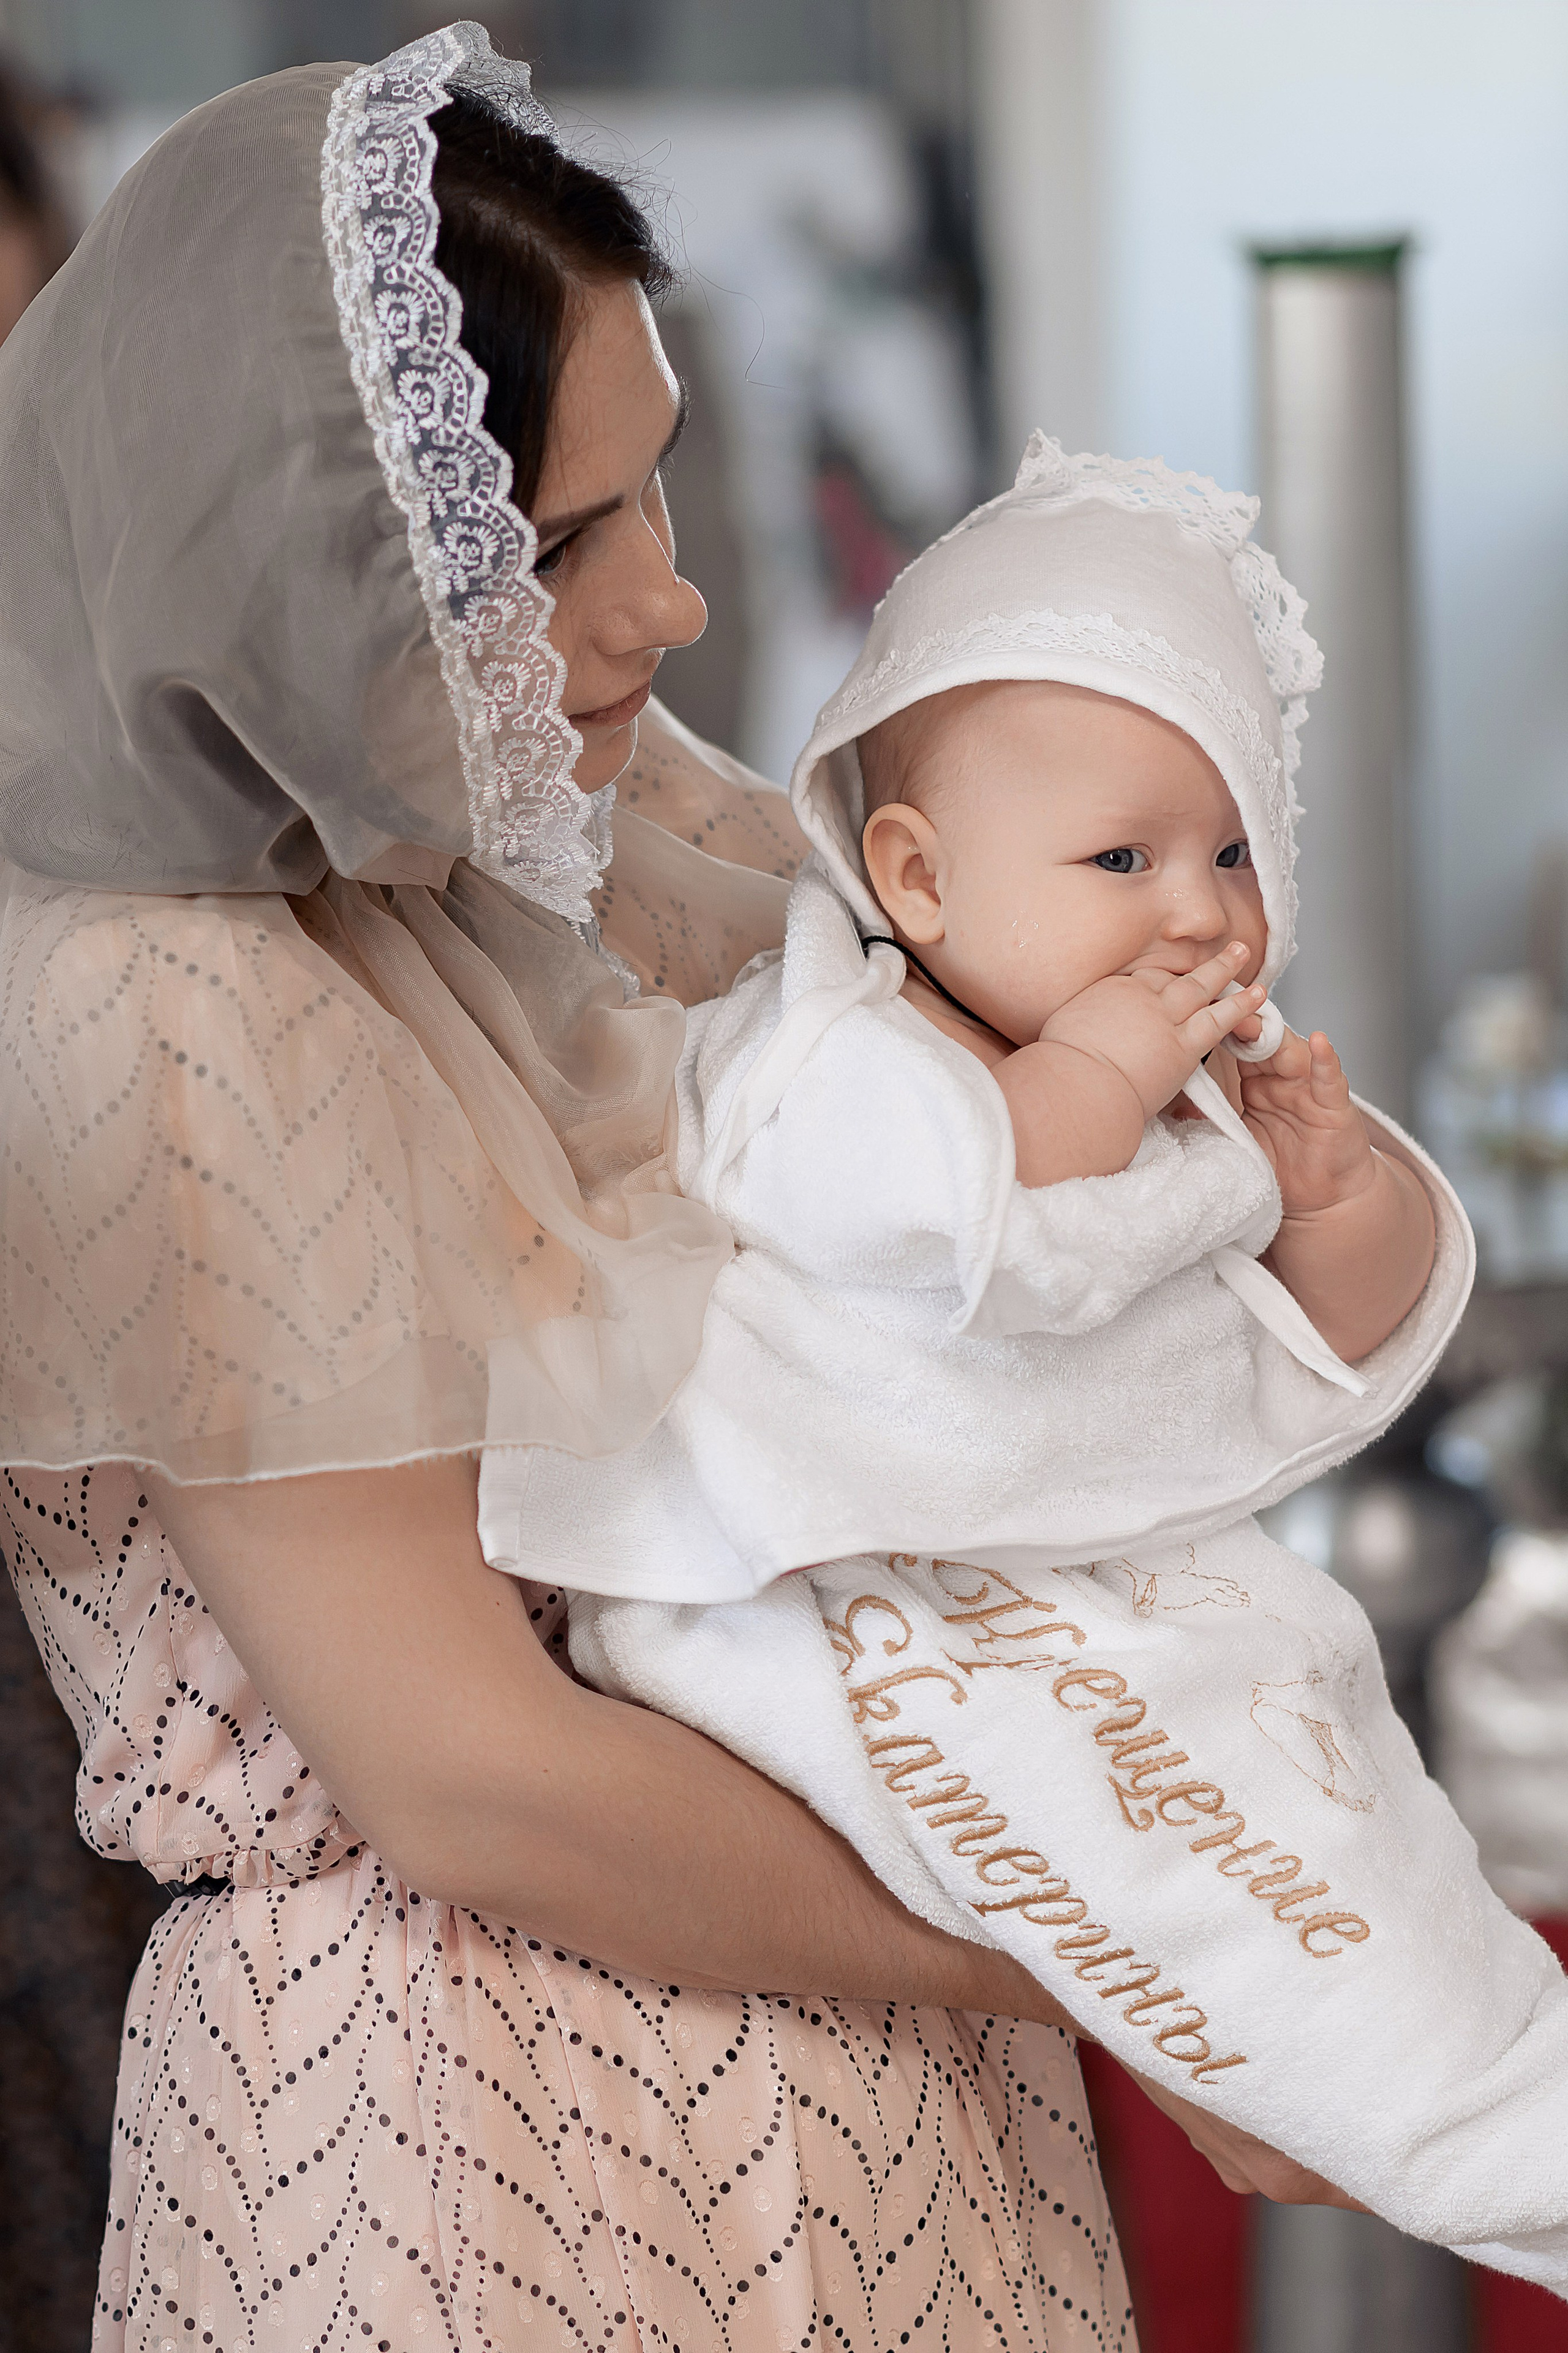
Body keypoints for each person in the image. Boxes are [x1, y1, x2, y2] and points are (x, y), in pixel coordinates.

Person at [0, 25, 1360, 2349]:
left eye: (657, 490)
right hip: (462, 2134)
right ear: (320, 556)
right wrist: (1132, 1954)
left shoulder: (562, 809)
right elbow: (472, 1779)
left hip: (894, 2088)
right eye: (558, 547)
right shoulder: (154, 994)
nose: (671, 604)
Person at [483, 437, 1568, 2289]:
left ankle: (1502, 2096)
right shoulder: (827, 1050)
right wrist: (1102, 1079)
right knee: (1243, 1913)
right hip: (860, 1578)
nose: (1197, 910)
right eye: (1122, 858)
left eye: (1232, 850)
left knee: (1359, 1823)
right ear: (913, 876)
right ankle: (1486, 2127)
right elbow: (957, 1221)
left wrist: (1329, 1192)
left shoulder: (1174, 1083)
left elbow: (1327, 1329)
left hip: (1135, 1575)